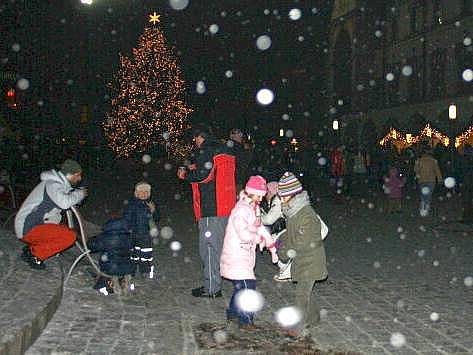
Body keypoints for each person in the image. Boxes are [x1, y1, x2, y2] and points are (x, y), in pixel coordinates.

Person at [177, 128, 236, 298]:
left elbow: (205, 175)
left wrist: (186, 174)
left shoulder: (206, 150)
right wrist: (194, 166)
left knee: (209, 248)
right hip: (226, 204)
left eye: (195, 139)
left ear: (200, 137)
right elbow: (215, 171)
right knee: (221, 247)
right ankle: (226, 280)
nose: (194, 142)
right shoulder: (226, 151)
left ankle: (211, 288)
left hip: (212, 206)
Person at [220, 176, 276, 329]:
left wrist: (268, 239)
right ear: (250, 193)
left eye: (262, 196)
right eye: (258, 195)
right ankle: (245, 321)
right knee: (248, 288)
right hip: (237, 255)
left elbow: (258, 226)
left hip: (243, 255)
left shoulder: (252, 207)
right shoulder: (241, 210)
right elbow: (244, 235)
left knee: (241, 287)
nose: (260, 199)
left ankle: (232, 313)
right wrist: (258, 238)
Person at [277, 172, 328, 338]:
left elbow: (303, 241)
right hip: (302, 259)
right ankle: (313, 318)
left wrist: (286, 251)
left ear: (292, 195)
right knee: (305, 291)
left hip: (311, 260)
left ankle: (297, 327)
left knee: (301, 294)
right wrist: (282, 241)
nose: (281, 199)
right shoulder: (292, 211)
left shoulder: (307, 214)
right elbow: (290, 234)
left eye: (283, 196)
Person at [14, 159, 87, 269]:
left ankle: (34, 248)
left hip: (32, 225)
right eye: (77, 175)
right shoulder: (52, 184)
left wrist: (76, 196)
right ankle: (34, 254)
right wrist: (80, 194)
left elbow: (64, 200)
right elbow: (64, 203)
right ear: (69, 175)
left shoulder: (58, 186)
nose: (79, 178)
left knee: (65, 230)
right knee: (69, 236)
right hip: (28, 227)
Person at [87, 217, 134, 296]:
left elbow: (92, 246)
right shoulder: (129, 237)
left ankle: (108, 285)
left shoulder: (105, 238)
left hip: (111, 267)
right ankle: (125, 283)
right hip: (127, 267)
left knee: (110, 271)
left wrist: (91, 241)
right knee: (122, 267)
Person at [122, 182, 159, 279]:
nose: (144, 194)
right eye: (141, 192)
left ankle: (145, 271)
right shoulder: (132, 205)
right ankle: (131, 272)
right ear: (136, 193)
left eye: (146, 192)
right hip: (133, 234)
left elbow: (156, 218)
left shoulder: (149, 204)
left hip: (146, 235)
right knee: (133, 254)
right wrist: (126, 229)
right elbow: (126, 218)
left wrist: (153, 211)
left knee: (146, 254)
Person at [414, 148, 443, 217]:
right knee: (429, 195)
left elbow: (415, 170)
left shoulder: (419, 161)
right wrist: (440, 179)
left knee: (423, 194)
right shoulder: (433, 161)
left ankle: (422, 206)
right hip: (431, 180)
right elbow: (437, 171)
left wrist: (418, 174)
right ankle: (426, 208)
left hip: (422, 180)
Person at [227, 128, 252, 192]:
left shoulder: (237, 146)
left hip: (236, 177)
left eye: (240, 133)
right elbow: (244, 161)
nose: (240, 135)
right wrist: (247, 151)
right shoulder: (236, 147)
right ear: (232, 136)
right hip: (238, 177)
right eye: (238, 133)